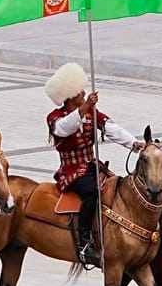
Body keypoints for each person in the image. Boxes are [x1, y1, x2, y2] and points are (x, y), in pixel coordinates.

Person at [45, 62, 144, 269]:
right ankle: (84, 242)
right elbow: (64, 129)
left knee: (117, 188)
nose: (83, 93)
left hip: (92, 165)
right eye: (79, 90)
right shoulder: (56, 117)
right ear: (69, 95)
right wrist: (84, 107)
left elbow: (111, 128)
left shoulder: (91, 113)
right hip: (72, 172)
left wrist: (133, 143)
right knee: (92, 192)